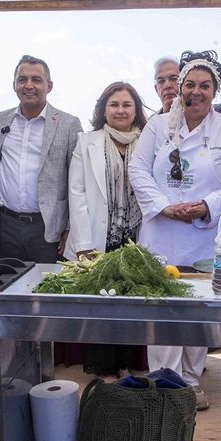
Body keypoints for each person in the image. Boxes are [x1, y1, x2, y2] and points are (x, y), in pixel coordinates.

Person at [129, 50, 221, 411]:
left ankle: (191, 378)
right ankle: (161, 377)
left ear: (215, 90)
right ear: (180, 87)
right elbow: (137, 169)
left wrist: (206, 205)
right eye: (190, 85)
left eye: (205, 86)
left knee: (198, 304)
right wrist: (164, 206)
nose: (196, 92)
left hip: (204, 232)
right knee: (161, 305)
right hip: (162, 230)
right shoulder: (158, 126)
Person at [65, 81, 148, 378]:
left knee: (130, 305)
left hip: (137, 239)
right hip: (97, 238)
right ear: (103, 110)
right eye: (114, 104)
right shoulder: (86, 142)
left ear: (136, 110)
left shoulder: (148, 141)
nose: (120, 110)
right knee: (98, 305)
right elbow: (76, 193)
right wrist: (83, 244)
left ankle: (125, 364)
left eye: (127, 104)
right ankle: (103, 369)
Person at [0, 55, 82, 263]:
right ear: (14, 85)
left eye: (36, 80)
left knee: (47, 282)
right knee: (7, 281)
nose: (29, 85)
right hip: (4, 226)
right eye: (22, 79)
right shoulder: (0, 120)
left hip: (47, 229)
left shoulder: (69, 124)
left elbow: (78, 181)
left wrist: (70, 228)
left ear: (49, 86)